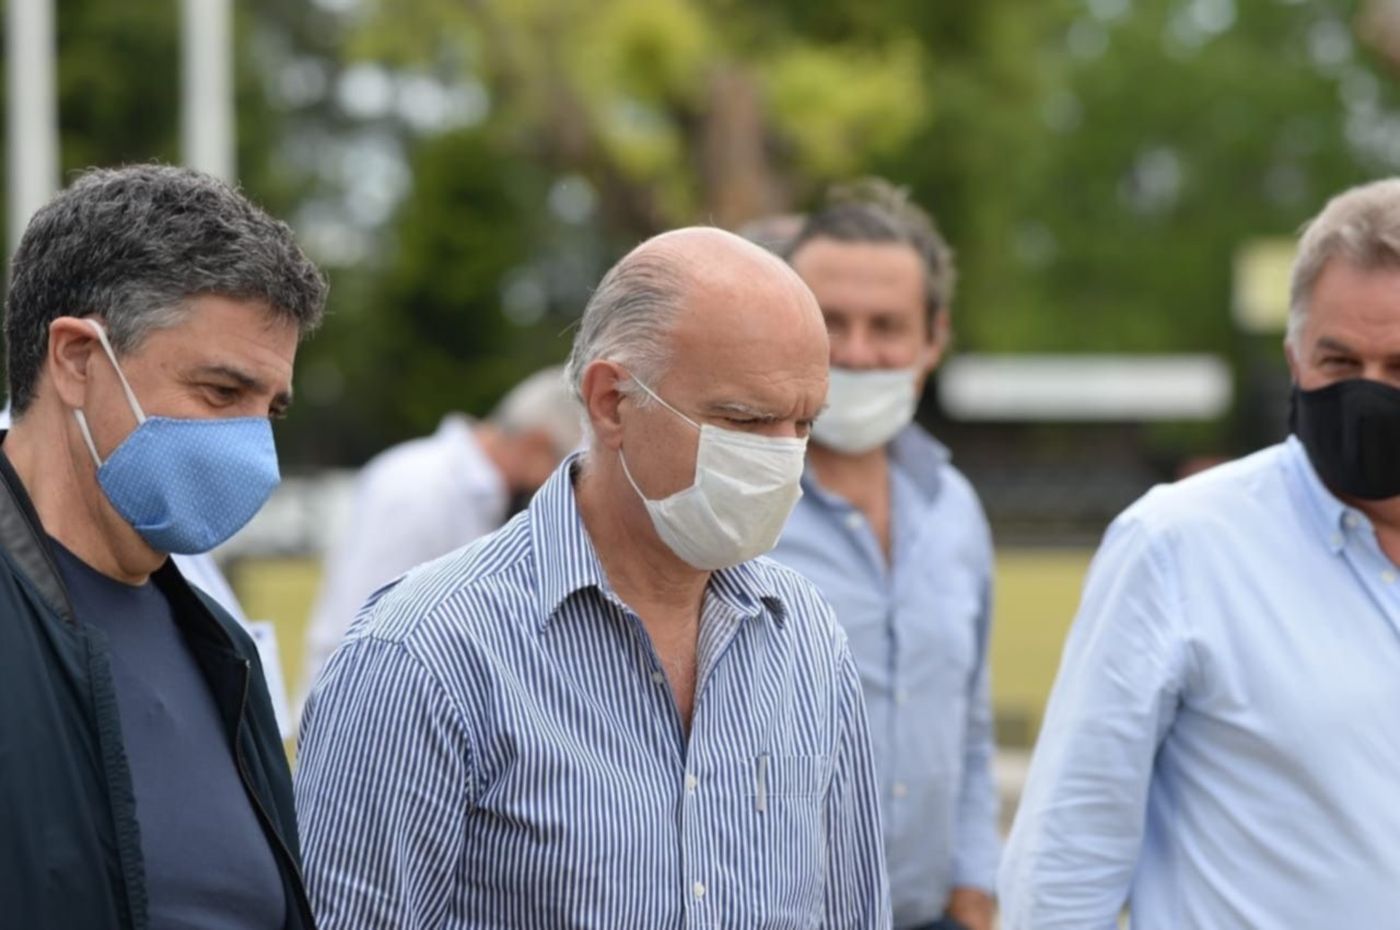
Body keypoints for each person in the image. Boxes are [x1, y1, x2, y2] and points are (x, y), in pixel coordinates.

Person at [295, 227, 891, 929]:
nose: (782, 458)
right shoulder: (422, 656)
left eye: (803, 425)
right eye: (746, 420)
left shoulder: (807, 638)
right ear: (611, 401)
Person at [999, 178, 1400, 928]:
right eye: (1340, 363)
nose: (1370, 395)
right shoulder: (1177, 547)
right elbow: (1065, 858)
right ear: (1294, 361)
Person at [0, 164, 327, 929]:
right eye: (221, 393)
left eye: (269, 410)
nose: (252, 445)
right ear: (79, 360)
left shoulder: (218, 641)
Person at [767, 180, 999, 930]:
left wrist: (974, 887)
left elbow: (967, 719)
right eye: (830, 321)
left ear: (933, 339)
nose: (858, 352)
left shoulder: (953, 507)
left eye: (887, 326)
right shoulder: (734, 510)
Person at [298, 365, 581, 706]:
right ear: (538, 445)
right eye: (565, 466)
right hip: (375, 716)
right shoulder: (420, 486)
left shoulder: (464, 490)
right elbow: (364, 624)